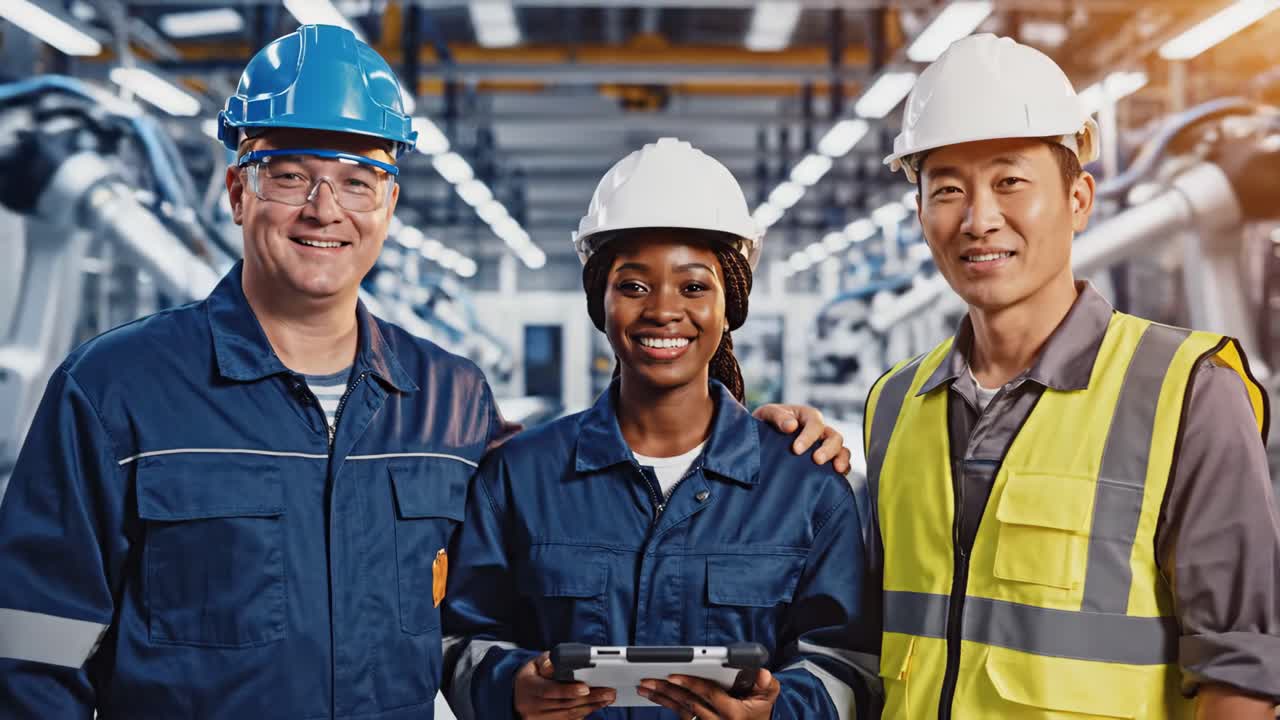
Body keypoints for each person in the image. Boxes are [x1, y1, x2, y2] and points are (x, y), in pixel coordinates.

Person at [0, 27, 852, 720]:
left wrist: (760, 428)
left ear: (390, 204)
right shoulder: (113, 390)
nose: (323, 210)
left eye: (357, 181)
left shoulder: (451, 401)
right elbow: (32, 650)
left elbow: (591, 490)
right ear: (236, 190)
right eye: (290, 175)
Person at [865, 34, 1280, 719]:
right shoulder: (894, 403)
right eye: (947, 190)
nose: (978, 219)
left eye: (1009, 182)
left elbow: (1241, 672)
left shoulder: (1188, 391)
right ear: (920, 214)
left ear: (1079, 199)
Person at [441, 138, 877, 720]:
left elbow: (847, 660)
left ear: (730, 308)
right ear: (602, 302)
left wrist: (778, 712)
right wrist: (510, 687)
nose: (663, 310)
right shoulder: (519, 476)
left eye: (694, 287)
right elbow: (460, 635)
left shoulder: (805, 485)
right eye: (634, 285)